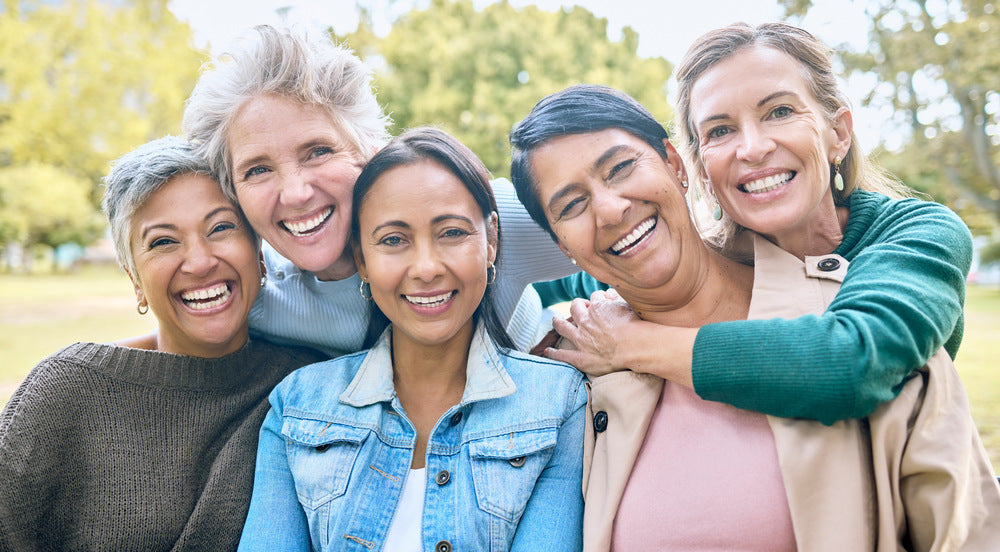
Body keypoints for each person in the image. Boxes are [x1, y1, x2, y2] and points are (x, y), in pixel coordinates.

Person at [510, 84, 1000, 551]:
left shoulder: (862, 313)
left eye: (620, 169)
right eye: (571, 205)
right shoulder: (570, 377)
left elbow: (964, 534)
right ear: (560, 245)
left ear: (677, 164)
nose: (611, 209)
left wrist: (632, 344)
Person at [533, 22, 974, 425]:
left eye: (779, 112)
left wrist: (630, 344)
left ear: (837, 132)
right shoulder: (689, 263)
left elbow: (850, 364)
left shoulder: (916, 235)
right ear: (701, 169)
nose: (754, 148)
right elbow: (537, 279)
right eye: (720, 131)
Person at [237, 128, 586, 551]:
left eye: (452, 233)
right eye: (393, 240)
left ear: (491, 240)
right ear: (362, 260)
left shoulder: (558, 401)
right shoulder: (296, 408)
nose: (425, 268)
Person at [0, 136, 325, 551]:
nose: (200, 261)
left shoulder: (305, 384)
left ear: (259, 253)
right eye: (163, 242)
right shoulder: (65, 393)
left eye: (221, 228)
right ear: (134, 279)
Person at [182, 25, 574, 355]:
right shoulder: (267, 303)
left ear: (371, 151)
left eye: (318, 152)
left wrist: (621, 332)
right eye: (258, 170)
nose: (296, 193)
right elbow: (171, 340)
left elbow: (620, 234)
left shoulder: (475, 215)